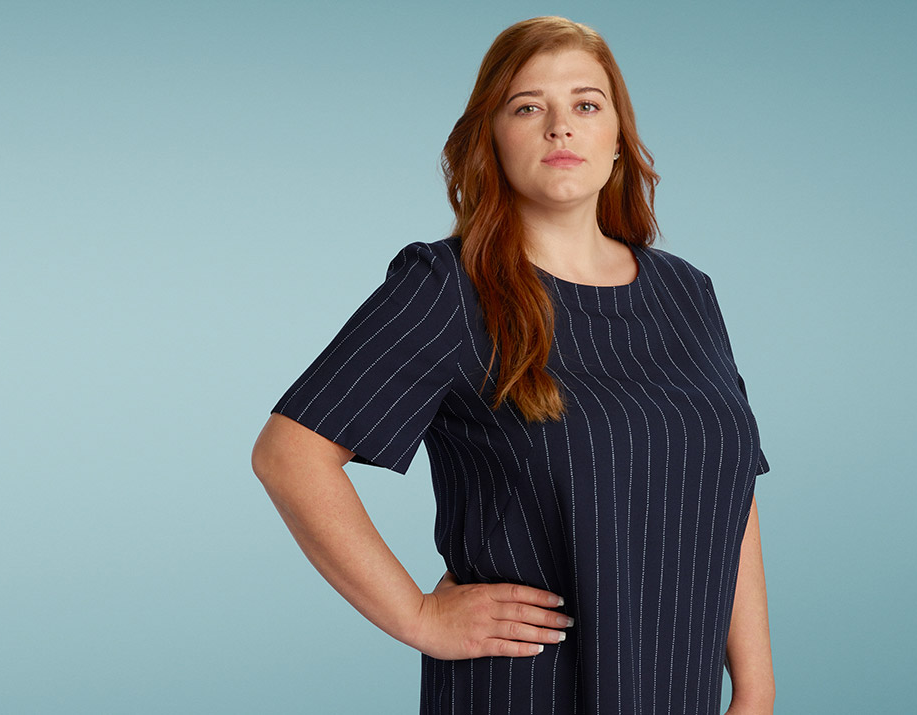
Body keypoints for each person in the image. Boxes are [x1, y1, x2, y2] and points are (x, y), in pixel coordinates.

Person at [250, 15, 776, 715]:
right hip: (523, 691)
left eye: (586, 105)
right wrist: (417, 615)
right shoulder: (446, 286)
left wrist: (757, 688)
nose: (561, 126)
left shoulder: (687, 293)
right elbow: (289, 453)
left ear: (617, 137)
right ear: (491, 139)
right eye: (528, 107)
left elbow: (729, 494)